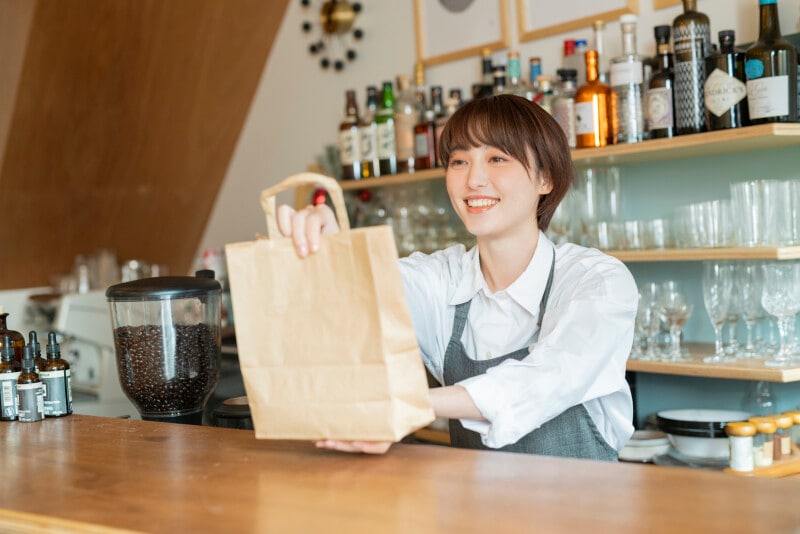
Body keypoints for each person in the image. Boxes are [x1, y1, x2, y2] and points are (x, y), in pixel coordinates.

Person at [277, 94, 638, 460]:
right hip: (470, 514)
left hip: (580, 515)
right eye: (459, 161)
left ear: (546, 177)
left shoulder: (597, 281)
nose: (473, 179)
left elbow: (550, 376)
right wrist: (329, 247)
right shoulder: (442, 278)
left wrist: (409, 405)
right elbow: (362, 292)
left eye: (497, 158)